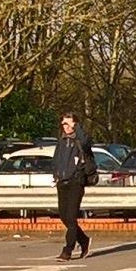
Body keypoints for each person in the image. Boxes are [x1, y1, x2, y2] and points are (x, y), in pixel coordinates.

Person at [51, 111, 96, 261]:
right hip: (62, 182)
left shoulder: (81, 140)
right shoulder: (61, 141)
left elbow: (85, 143)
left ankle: (67, 250)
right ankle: (83, 240)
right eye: (64, 123)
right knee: (64, 217)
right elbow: (56, 159)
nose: (66, 127)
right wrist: (56, 174)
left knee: (71, 217)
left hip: (76, 182)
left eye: (69, 124)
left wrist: (76, 127)